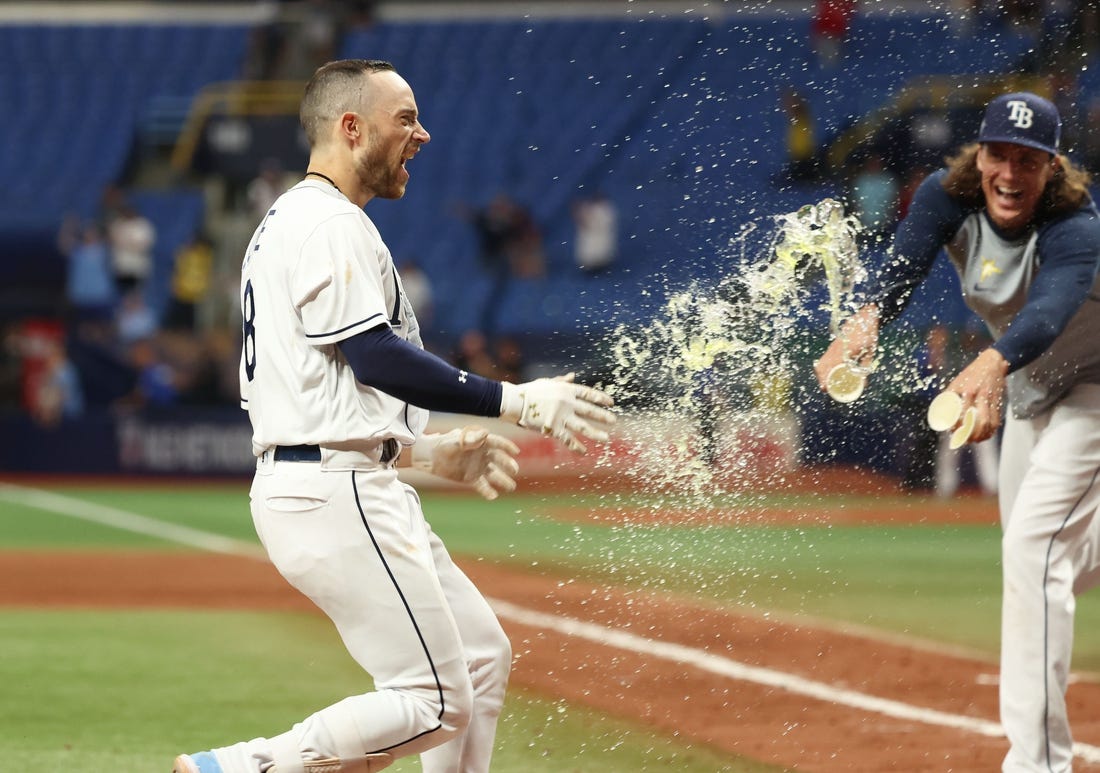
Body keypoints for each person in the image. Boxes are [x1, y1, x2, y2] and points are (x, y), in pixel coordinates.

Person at [173, 59, 615, 773]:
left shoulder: (297, 219)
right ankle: (243, 767)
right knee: (433, 699)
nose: (423, 134)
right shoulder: (327, 222)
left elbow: (328, 393)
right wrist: (519, 399)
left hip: (335, 478)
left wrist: (428, 453)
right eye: (405, 118)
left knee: (478, 659)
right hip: (333, 491)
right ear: (352, 129)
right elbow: (374, 355)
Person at [813, 92, 1100, 772]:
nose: (1010, 171)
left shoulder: (1077, 225)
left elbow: (1052, 309)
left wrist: (991, 365)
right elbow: (905, 260)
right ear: (981, 152)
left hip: (1093, 387)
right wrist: (867, 319)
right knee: (1042, 560)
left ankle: (1037, 764)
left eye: (1029, 160)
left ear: (1052, 167)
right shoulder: (948, 196)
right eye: (1000, 153)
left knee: (1035, 548)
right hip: (1032, 391)